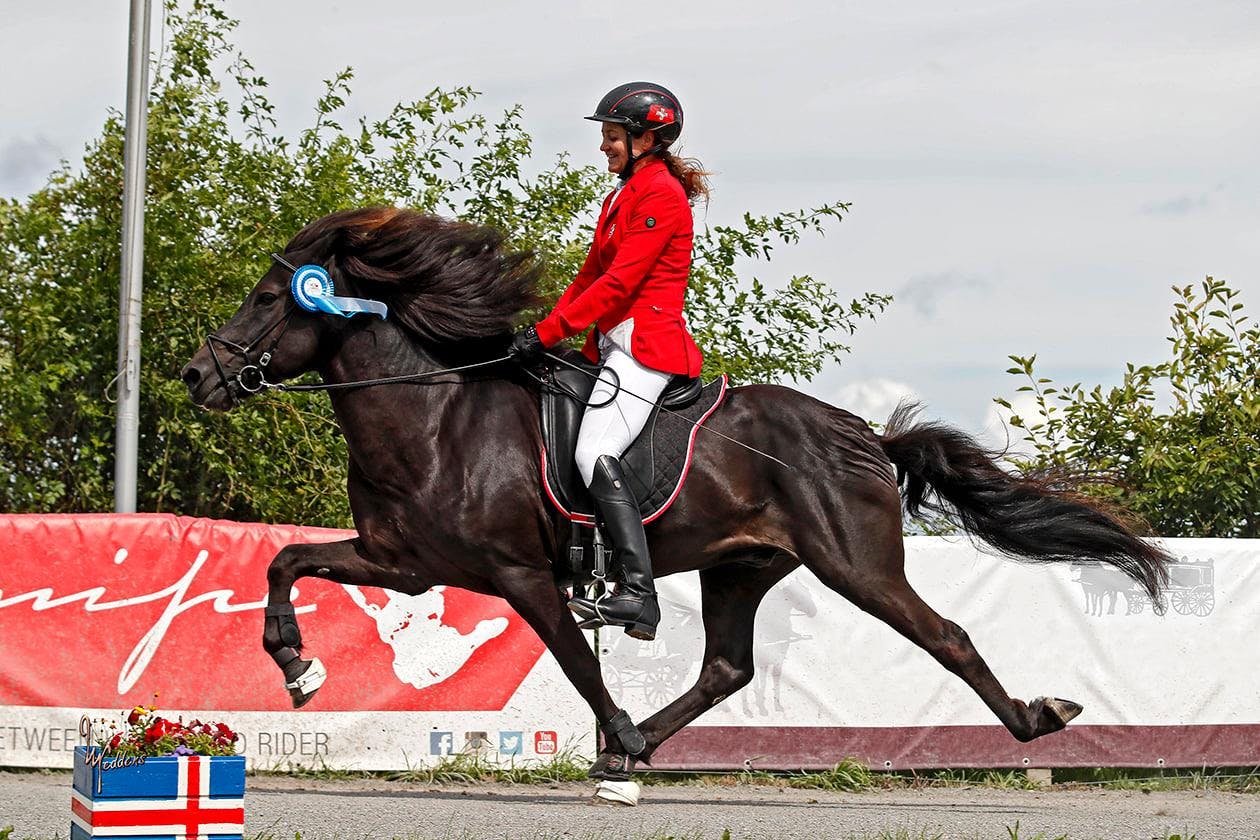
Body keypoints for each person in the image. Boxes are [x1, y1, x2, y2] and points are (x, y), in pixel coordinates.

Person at [510, 82, 709, 641]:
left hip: (647, 346)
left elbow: (624, 282)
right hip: (611, 344)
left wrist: (551, 332)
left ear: (647, 138)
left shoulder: (661, 195)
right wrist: (540, 333)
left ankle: (638, 594)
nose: (604, 145)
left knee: (594, 449)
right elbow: (591, 277)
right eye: (605, 135)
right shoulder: (624, 194)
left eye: (612, 135)